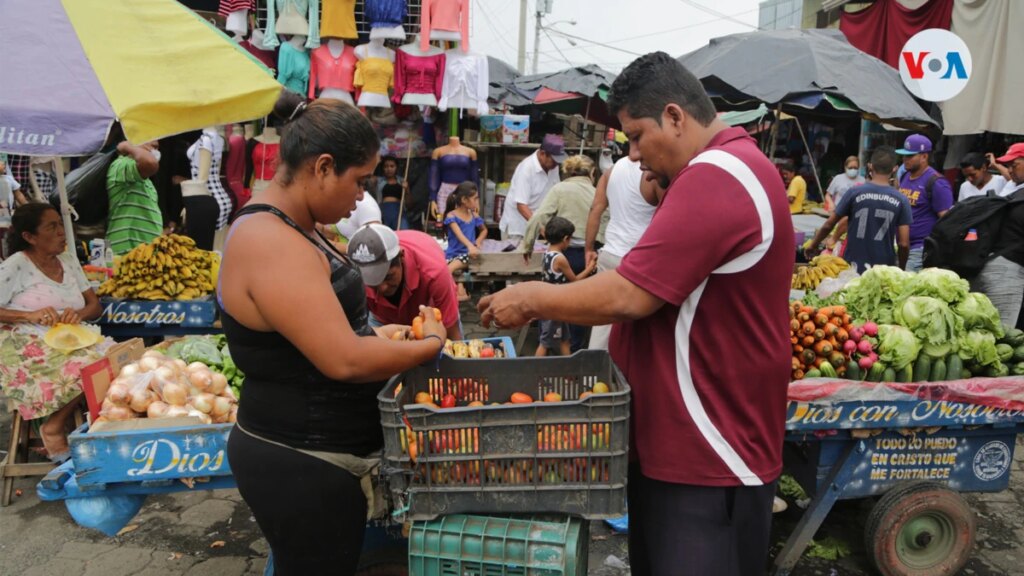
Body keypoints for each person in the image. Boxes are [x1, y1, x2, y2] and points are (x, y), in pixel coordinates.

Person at [478, 52, 794, 576]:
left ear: (675, 116)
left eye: (637, 135)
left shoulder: (721, 174)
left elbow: (631, 294)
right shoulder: (715, 169)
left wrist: (534, 297)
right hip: (684, 444)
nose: (634, 155)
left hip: (710, 449)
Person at [219, 92, 448, 576]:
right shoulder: (270, 240)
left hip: (321, 456)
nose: (362, 196)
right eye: (359, 180)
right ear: (323, 167)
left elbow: (332, 328)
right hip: (299, 458)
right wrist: (428, 346)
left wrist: (390, 335)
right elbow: (342, 359)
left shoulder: (302, 225)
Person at [0, 203, 105, 461]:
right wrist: (27, 315)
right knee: (91, 365)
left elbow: (95, 306)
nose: (62, 232)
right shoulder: (16, 265)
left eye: (60, 224)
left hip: (70, 338)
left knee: (119, 357)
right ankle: (54, 426)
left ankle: (99, 432)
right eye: (52, 227)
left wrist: (77, 314)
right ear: (29, 237)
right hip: (26, 346)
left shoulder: (68, 261)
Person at [521, 154, 601, 352]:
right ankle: (573, 350)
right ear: (591, 173)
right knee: (581, 303)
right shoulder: (597, 192)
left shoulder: (559, 189)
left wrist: (528, 245)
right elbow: (606, 219)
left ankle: (548, 344)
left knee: (553, 299)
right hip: (589, 253)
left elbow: (539, 217)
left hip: (564, 251)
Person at [585, 156, 658, 350]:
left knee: (603, 320)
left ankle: (594, 374)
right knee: (639, 323)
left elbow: (596, 209)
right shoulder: (653, 172)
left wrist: (589, 249)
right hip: (639, 258)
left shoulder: (612, 171)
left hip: (610, 252)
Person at [805, 147, 912, 272]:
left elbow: (829, 224)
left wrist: (813, 245)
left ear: (870, 166)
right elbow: (903, 243)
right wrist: (902, 268)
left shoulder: (854, 192)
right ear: (895, 168)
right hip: (883, 268)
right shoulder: (901, 199)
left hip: (852, 265)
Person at [348, 224, 463, 341]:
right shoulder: (353, 278)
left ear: (401, 256)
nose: (382, 288)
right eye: (373, 282)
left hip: (428, 317)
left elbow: (451, 333)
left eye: (388, 277)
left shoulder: (435, 272)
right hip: (382, 319)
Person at [974, 144, 1024, 325]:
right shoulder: (1014, 190)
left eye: (1014, 164)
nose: (1010, 170)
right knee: (1002, 335)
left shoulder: (1014, 191)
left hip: (991, 264)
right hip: (1006, 272)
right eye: (1008, 165)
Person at [535, 217, 595, 357]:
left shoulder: (547, 253)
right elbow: (574, 281)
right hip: (554, 305)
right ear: (565, 238)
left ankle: (569, 374)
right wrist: (590, 268)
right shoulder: (560, 259)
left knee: (565, 340)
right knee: (545, 343)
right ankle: (535, 373)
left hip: (552, 302)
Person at [895, 134, 953, 272]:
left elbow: (947, 219)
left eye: (910, 156)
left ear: (924, 157)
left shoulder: (937, 183)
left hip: (920, 249)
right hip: (901, 246)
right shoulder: (905, 176)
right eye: (904, 156)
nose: (905, 160)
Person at [497, 134, 565, 241]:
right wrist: (540, 228)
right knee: (515, 257)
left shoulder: (553, 167)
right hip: (517, 227)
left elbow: (557, 193)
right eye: (554, 160)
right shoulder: (526, 169)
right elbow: (521, 206)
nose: (556, 164)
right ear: (543, 154)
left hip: (536, 222)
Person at [106, 140, 163, 256]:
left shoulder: (147, 182)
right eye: (150, 140)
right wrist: (128, 147)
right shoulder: (120, 165)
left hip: (146, 253)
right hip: (127, 252)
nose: (155, 147)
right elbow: (150, 163)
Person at [443, 182, 487, 302]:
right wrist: (470, 246)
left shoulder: (474, 215)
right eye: (475, 199)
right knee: (446, 268)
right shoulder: (451, 216)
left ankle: (457, 291)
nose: (477, 202)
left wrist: (478, 241)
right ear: (464, 200)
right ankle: (455, 291)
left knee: (452, 267)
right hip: (453, 254)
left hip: (468, 255)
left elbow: (484, 230)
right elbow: (459, 234)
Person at [375, 156, 409, 230]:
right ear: (382, 168)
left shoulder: (402, 181)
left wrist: (406, 190)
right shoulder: (378, 181)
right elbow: (367, 175)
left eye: (392, 166)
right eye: (386, 166)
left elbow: (410, 203)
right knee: (386, 233)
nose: (389, 169)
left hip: (399, 210)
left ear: (396, 167)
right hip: (384, 210)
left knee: (403, 230)